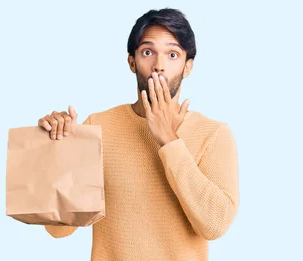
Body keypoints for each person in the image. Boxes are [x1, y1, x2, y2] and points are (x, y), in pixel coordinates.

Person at [36, 8, 239, 261]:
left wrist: (169, 140)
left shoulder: (214, 134)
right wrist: (61, 150)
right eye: (147, 52)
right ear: (132, 62)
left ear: (188, 66)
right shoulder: (98, 126)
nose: (159, 66)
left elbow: (215, 225)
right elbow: (57, 230)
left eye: (172, 54)